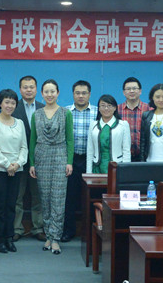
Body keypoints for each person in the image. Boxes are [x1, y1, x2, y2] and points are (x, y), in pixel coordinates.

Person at [29, 79, 74, 255]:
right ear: (42, 94)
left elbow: (70, 139)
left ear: (58, 93)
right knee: (45, 198)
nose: (49, 95)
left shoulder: (65, 113)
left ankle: (56, 238)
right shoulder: (36, 114)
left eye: (52, 91)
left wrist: (69, 161)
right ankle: (48, 235)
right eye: (46, 92)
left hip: (60, 156)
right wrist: (32, 163)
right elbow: (33, 140)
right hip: (41, 157)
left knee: (58, 198)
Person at [0, 89, 29, 254]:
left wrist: (17, 164)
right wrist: (7, 165)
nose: (9, 105)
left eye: (12, 103)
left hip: (16, 169)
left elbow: (24, 147)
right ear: (0, 104)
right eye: (6, 102)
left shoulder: (20, 123)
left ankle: (9, 237)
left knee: (11, 205)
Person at [62, 80, 98, 242]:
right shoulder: (65, 112)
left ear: (89, 94)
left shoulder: (97, 112)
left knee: (90, 196)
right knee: (69, 197)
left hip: (92, 160)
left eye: (84, 93)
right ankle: (69, 231)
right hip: (70, 160)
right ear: (73, 94)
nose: (81, 96)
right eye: (77, 93)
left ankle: (89, 232)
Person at [12, 76, 46, 242]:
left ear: (36, 89)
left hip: (38, 160)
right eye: (25, 87)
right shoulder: (13, 107)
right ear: (20, 90)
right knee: (17, 196)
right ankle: (17, 228)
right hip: (17, 159)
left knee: (38, 196)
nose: (28, 90)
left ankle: (38, 228)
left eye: (31, 87)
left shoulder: (43, 108)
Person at [86, 95, 131, 173]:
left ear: (115, 108)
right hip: (97, 167)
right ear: (99, 108)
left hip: (117, 167)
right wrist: (89, 172)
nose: (106, 108)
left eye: (109, 106)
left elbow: (126, 151)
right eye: (103, 106)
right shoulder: (93, 125)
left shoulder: (123, 125)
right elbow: (90, 151)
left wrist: (125, 172)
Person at [119, 77, 151, 161]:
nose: (131, 91)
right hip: (123, 156)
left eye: (134, 88)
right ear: (124, 92)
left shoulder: (149, 109)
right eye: (128, 89)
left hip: (145, 156)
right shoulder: (117, 110)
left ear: (140, 91)